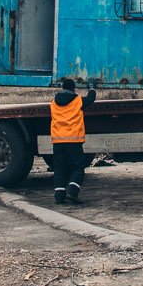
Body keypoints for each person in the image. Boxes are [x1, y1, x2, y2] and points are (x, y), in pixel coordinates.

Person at [50, 77, 96, 205]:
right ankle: (72, 191)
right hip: (73, 140)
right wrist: (91, 87)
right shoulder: (77, 101)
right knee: (77, 167)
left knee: (59, 169)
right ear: (73, 88)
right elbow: (91, 99)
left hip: (58, 141)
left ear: (63, 88)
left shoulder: (53, 102)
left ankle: (59, 196)